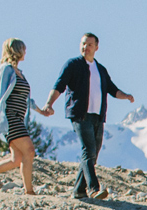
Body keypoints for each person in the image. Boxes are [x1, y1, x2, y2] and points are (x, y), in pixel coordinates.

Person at [46, 32, 133, 199]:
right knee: (88, 149)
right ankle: (93, 188)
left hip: (98, 116)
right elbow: (59, 85)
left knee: (94, 153)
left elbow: (112, 89)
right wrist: (49, 103)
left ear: (97, 47)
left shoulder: (100, 69)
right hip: (80, 114)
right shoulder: (72, 65)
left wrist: (126, 96)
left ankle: (79, 190)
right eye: (83, 44)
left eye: (90, 45)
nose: (86, 47)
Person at [0, 38, 45, 196]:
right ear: (16, 50)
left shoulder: (19, 73)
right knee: (30, 151)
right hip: (9, 117)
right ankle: (29, 191)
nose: (26, 52)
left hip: (18, 118)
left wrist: (41, 111)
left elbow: (26, 99)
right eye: (23, 49)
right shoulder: (6, 69)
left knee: (16, 159)